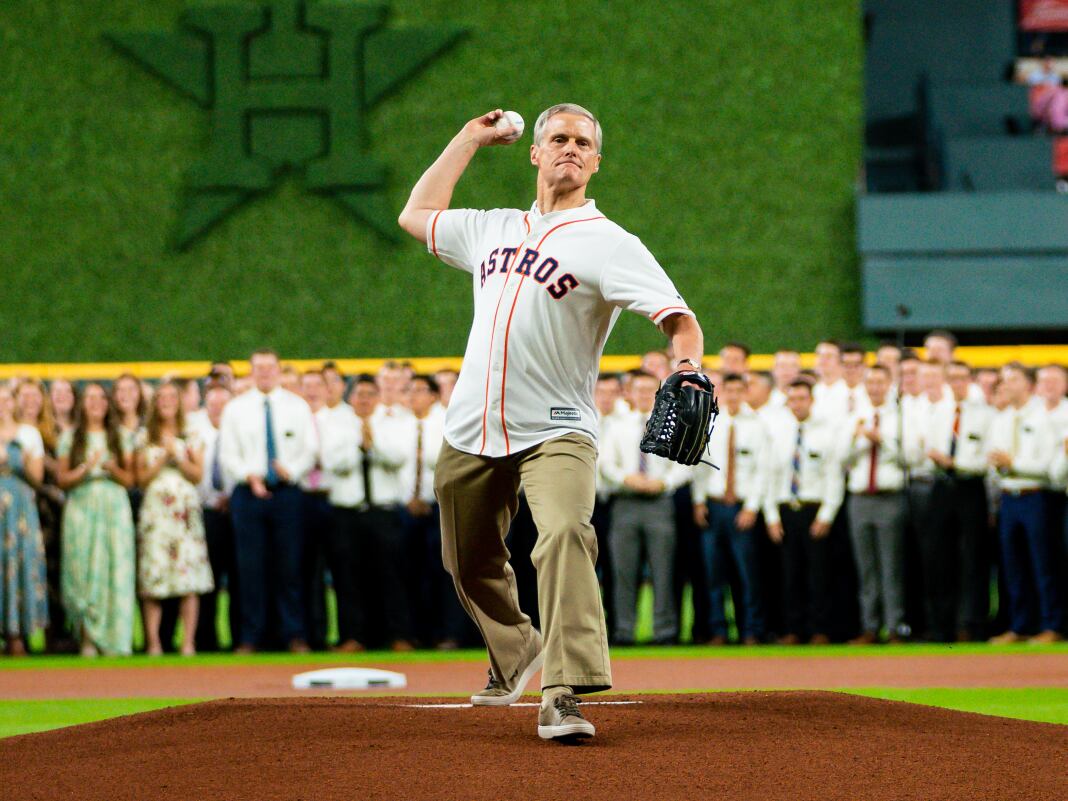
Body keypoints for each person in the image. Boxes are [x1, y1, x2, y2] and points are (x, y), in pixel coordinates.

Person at [398, 103, 704, 741]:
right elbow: (416, 216)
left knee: (564, 533)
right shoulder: (491, 228)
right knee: (466, 559)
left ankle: (564, 691)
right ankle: (516, 648)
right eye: (558, 139)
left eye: (582, 143)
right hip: (471, 424)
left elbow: (679, 319)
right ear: (535, 153)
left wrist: (689, 367)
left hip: (558, 426)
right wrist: (467, 138)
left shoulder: (611, 243)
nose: (570, 148)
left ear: (595, 162)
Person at [219, 349, 317, 653]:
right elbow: (227, 453)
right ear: (251, 371)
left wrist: (292, 471)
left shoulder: (296, 406)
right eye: (258, 368)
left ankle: (294, 634)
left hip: (288, 493)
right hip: (248, 495)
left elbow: (310, 449)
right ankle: (251, 637)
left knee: (290, 567)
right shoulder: (236, 408)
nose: (264, 373)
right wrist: (249, 476)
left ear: (278, 370)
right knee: (250, 569)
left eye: (270, 367)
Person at [321, 375, 415, 651]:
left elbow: (399, 457)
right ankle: (353, 636)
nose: (364, 400)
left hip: (382, 511)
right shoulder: (336, 424)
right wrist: (358, 446)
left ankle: (397, 634)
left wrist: (374, 445)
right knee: (348, 575)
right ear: (351, 398)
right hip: (347, 511)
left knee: (391, 575)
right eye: (360, 394)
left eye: (370, 394)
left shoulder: (391, 423)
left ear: (377, 397)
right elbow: (332, 462)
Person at [598, 370, 687, 645]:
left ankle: (665, 632)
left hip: (659, 504)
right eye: (640, 389)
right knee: (623, 570)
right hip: (625, 503)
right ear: (630, 392)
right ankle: (624, 631)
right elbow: (605, 462)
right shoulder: (617, 425)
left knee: (663, 570)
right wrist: (627, 478)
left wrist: (663, 483)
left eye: (651, 389)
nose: (645, 394)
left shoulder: (673, 422)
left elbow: (685, 462)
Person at [56, 383, 137, 657]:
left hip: (113, 508)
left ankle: (114, 639)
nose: (95, 403)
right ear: (82, 404)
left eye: (100, 398)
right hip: (82, 508)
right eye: (89, 398)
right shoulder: (70, 438)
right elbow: (62, 479)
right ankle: (88, 638)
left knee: (114, 569)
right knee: (84, 570)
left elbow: (130, 479)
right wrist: (85, 468)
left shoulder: (120, 437)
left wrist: (112, 468)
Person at [135, 381, 213, 657]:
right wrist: (162, 458)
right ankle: (153, 642)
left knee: (188, 578)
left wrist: (177, 456)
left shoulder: (192, 434)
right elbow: (140, 478)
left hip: (184, 514)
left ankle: (187, 643)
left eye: (172, 397)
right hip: (157, 513)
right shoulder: (144, 436)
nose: (167, 401)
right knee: (154, 576)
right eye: (161, 397)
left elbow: (197, 474)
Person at [763, 380, 844, 644]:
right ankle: (793, 629)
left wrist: (827, 514)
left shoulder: (826, 432)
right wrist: (772, 517)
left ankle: (819, 629)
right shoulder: (778, 432)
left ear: (811, 401)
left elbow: (834, 477)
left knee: (819, 573)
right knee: (789, 573)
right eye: (793, 399)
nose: (797, 404)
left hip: (814, 509)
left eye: (802, 398)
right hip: (787, 509)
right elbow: (770, 477)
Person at [919, 361, 994, 641]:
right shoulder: (939, 411)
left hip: (970, 487)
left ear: (970, 380)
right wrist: (940, 461)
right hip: (942, 487)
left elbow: (986, 459)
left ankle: (972, 624)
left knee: (973, 558)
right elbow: (926, 448)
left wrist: (955, 462)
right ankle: (942, 626)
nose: (958, 383)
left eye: (962, 378)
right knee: (940, 558)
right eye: (953, 378)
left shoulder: (983, 414)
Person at [986, 364, 1062, 644]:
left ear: (1029, 384)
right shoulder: (1001, 419)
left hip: (1036, 496)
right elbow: (993, 461)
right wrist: (1002, 469)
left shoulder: (1045, 418)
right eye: (1004, 379)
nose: (1007, 384)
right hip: (1009, 497)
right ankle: (1020, 625)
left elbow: (1049, 466)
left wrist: (1013, 464)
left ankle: (1051, 624)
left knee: (1043, 563)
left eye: (1013, 379)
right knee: (1013, 566)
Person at [692, 373, 768, 645]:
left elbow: (763, 470)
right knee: (713, 575)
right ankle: (718, 631)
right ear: (720, 392)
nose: (733, 395)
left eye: (739, 390)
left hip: (741, 508)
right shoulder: (710, 422)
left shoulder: (758, 425)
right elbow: (698, 466)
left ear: (745, 392)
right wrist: (699, 501)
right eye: (729, 390)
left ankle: (751, 630)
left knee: (747, 574)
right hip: (713, 507)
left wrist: (751, 507)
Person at [840, 365, 908, 644]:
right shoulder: (855, 417)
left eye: (881, 382)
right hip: (860, 499)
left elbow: (909, 459)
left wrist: (882, 440)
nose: (875, 387)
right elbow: (841, 459)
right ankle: (870, 626)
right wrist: (858, 439)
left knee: (891, 565)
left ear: (889, 384)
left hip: (889, 497)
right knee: (866, 566)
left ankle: (895, 625)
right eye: (871, 382)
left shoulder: (900, 417)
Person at [400, 374, 462, 648]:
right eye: (410, 390)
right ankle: (415, 633)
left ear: (434, 395)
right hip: (404, 509)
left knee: (444, 571)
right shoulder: (397, 424)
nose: (414, 396)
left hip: (439, 507)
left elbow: (448, 463)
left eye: (420, 390)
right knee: (409, 573)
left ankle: (448, 633)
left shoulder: (448, 421)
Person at [14, 378, 71, 652]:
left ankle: (54, 636)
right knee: (21, 573)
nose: (31, 402)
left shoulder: (54, 432)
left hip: (51, 512)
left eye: (36, 397)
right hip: (20, 511)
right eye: (25, 397)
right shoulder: (9, 432)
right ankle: (19, 635)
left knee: (52, 574)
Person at [0, 384, 49, 655]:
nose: (2, 405)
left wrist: (16, 459)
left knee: (19, 566)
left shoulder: (28, 433)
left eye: (6, 399)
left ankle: (17, 635)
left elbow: (38, 478)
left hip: (19, 512)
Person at [195, 380, 238, 652]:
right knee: (206, 579)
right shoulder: (196, 432)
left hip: (236, 512)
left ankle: (240, 638)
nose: (218, 409)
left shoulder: (239, 432)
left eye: (223, 405)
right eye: (213, 404)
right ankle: (206, 639)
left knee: (239, 578)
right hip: (206, 512)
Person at [298, 369, 331, 651]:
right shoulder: (295, 420)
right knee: (304, 569)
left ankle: (336, 634)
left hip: (331, 498)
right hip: (302, 498)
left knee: (337, 571)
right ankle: (309, 634)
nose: (311, 391)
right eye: (305, 386)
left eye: (316, 385)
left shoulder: (337, 419)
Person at [812, 340, 849, 423]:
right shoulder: (812, 391)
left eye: (828, 356)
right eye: (819, 355)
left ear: (841, 360)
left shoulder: (849, 392)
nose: (822, 360)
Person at [840, 344, 871, 416]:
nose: (851, 369)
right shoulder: (829, 393)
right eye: (846, 364)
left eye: (856, 365)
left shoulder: (874, 392)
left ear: (865, 365)